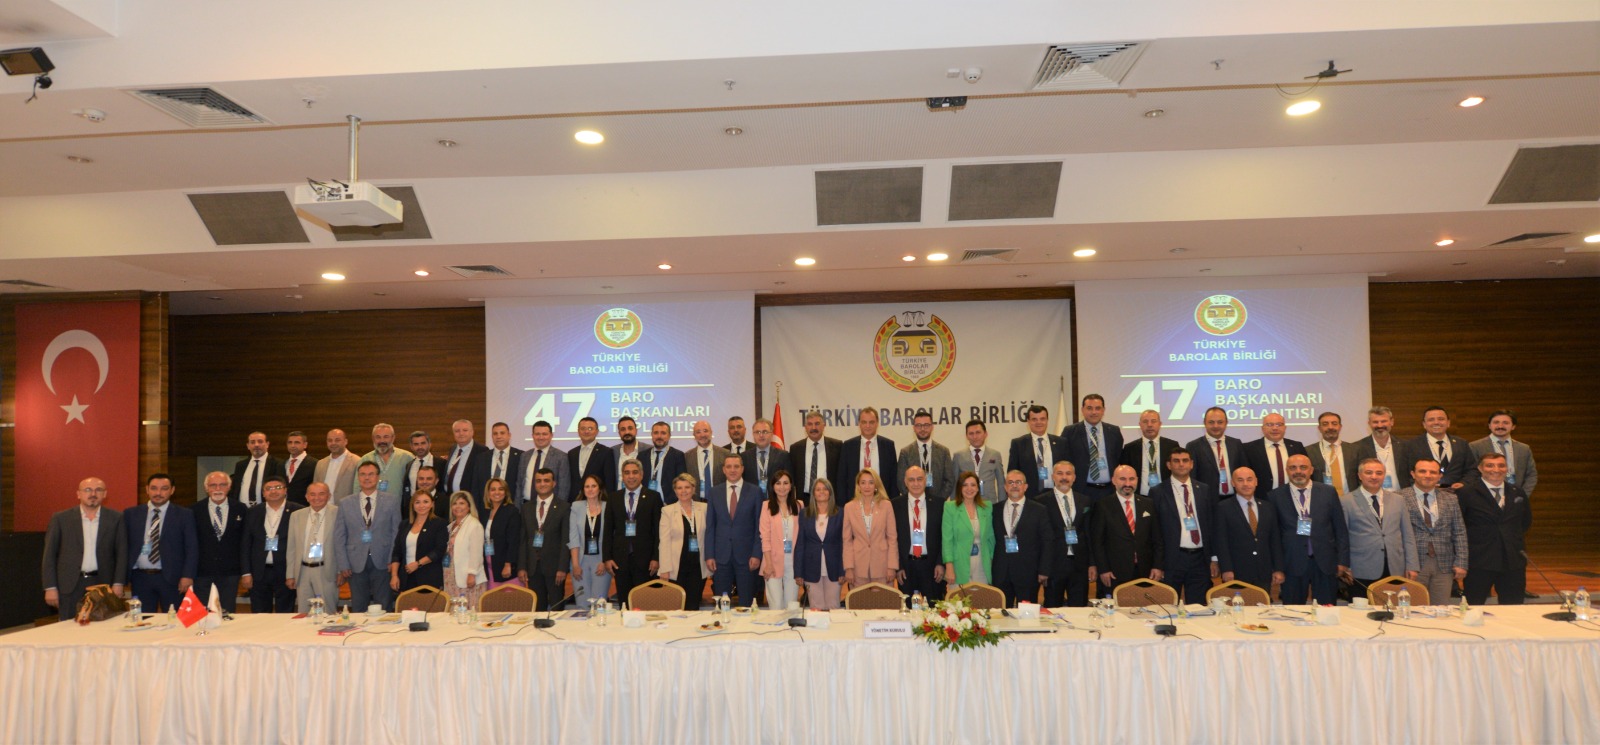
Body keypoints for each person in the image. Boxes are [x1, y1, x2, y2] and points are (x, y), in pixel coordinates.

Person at [1267, 454, 1349, 605]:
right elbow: (1274, 536)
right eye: (1293, 468)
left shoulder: (1328, 492)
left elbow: (1340, 529)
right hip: (1292, 563)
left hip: (1325, 562)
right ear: (1287, 470)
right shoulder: (1275, 496)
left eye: (1303, 467)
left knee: (1327, 611)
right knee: (1292, 611)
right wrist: (1277, 567)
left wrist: (1342, 561)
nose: (1298, 471)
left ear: (1311, 470)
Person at [42, 477, 127, 621]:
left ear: (105, 494)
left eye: (98, 490)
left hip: (102, 583)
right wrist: (50, 587)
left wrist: (118, 583)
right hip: (69, 585)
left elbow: (122, 553)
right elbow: (49, 555)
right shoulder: (61, 519)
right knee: (68, 628)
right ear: (78, 494)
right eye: (88, 490)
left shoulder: (116, 518)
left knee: (101, 628)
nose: (93, 494)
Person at [1457, 452, 1531, 605]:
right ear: (1480, 468)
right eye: (1490, 465)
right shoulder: (1466, 493)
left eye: (1501, 465)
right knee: (1474, 606)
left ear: (1507, 468)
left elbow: (1525, 522)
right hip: (1479, 561)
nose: (1496, 470)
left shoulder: (1517, 492)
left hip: (1512, 560)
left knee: (1514, 608)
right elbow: (1459, 526)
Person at [1339, 459, 1419, 594]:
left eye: (1379, 473)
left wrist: (1412, 565)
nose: (1374, 476)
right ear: (1359, 475)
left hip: (1394, 567)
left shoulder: (1398, 500)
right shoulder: (1346, 501)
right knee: (1362, 607)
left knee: (1393, 606)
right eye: (1369, 472)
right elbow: (1342, 538)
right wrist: (1345, 566)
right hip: (1361, 569)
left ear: (1384, 475)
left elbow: (1408, 535)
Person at [1150, 448, 1218, 604]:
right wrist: (1158, 564)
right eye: (1176, 461)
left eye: (1185, 460)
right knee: (1168, 606)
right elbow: (1155, 531)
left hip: (1200, 558)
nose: (1181, 464)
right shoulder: (1157, 492)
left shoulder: (1204, 489)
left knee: (1198, 607)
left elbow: (1211, 526)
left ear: (1191, 464)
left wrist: (1214, 558)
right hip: (1172, 558)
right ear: (1169, 465)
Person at [333, 461, 402, 612]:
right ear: (358, 477)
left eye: (371, 474)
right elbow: (339, 536)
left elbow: (396, 533)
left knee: (383, 605)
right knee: (358, 605)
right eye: (363, 474)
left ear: (378, 477)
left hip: (383, 560)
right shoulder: (345, 503)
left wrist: (392, 559)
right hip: (355, 562)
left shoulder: (392, 501)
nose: (367, 478)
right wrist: (343, 564)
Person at [1398, 460, 1468, 604]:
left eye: (1433, 472)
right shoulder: (1398, 498)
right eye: (1422, 471)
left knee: (1441, 608)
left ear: (1439, 476)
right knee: (1412, 607)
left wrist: (1461, 562)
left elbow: (1459, 531)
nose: (1428, 475)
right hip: (1412, 564)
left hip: (1444, 564)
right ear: (1413, 474)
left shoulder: (1451, 498)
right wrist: (1406, 563)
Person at [124, 473, 197, 612]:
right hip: (140, 578)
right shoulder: (131, 514)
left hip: (172, 578)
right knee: (142, 620)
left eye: (164, 488)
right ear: (147, 489)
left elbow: (192, 548)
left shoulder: (184, 515)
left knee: (174, 620)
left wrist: (188, 575)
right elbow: (123, 547)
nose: (158, 493)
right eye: (154, 488)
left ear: (172, 490)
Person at [1089, 466, 1163, 598]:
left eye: (1131, 479)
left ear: (1137, 480)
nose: (1128, 484)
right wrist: (1103, 569)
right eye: (1122, 479)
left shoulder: (1148, 504)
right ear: (1113, 480)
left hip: (1145, 572)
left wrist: (1157, 566)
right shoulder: (1103, 505)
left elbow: (1157, 539)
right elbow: (1097, 542)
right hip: (1113, 574)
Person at [1213, 468, 1284, 594]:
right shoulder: (1223, 507)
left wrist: (1278, 568)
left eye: (1249, 479)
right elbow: (1221, 541)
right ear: (1233, 483)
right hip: (1236, 573)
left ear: (1256, 482)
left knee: (1262, 605)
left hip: (1263, 571)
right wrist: (1226, 569)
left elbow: (1275, 540)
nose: (1245, 484)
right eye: (1240, 480)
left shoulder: (1268, 507)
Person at [705, 453, 764, 604]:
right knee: (722, 603)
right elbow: (710, 526)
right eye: (729, 467)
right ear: (723, 469)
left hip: (747, 557)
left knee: (747, 603)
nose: (733, 470)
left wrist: (757, 554)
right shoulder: (714, 492)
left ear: (742, 469)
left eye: (736, 466)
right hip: (721, 556)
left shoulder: (755, 492)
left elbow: (759, 526)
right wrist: (709, 555)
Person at [241, 471, 301, 613]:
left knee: (285, 613)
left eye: (278, 487)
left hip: (286, 571)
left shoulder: (298, 511)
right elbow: (245, 544)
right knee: (259, 614)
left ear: (285, 490)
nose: (273, 491)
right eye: (269, 488)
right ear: (263, 493)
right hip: (259, 572)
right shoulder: (253, 512)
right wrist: (246, 572)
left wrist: (294, 573)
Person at [990, 471, 1051, 608]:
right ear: (1005, 487)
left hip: (1029, 572)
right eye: (1010, 482)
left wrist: (1044, 570)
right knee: (1001, 614)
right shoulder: (995, 510)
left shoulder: (1039, 510)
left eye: (1018, 482)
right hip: (1001, 572)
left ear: (1025, 486)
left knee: (1027, 615)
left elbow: (1047, 541)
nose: (1014, 486)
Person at [190, 470, 248, 613]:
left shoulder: (241, 509)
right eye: (213, 485)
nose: (217, 489)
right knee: (203, 613)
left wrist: (245, 571)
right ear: (206, 488)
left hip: (230, 572)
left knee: (227, 612)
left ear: (229, 487)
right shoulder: (194, 510)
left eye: (222, 485)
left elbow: (245, 542)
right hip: (202, 572)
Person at [605, 460, 662, 605]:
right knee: (624, 603)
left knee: (645, 603)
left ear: (642, 475)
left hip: (646, 561)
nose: (631, 476)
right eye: (627, 473)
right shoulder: (613, 498)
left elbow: (658, 531)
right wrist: (607, 557)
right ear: (622, 476)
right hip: (620, 561)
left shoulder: (653, 497)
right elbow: (608, 530)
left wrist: (656, 557)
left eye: (635, 472)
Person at [518, 469, 571, 611]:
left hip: (555, 568)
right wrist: (522, 567)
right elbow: (523, 540)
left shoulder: (564, 507)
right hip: (533, 568)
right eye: (538, 481)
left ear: (554, 483)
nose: (542, 484)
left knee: (556, 608)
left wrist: (562, 568)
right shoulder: (526, 508)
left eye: (546, 480)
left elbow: (565, 540)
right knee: (537, 609)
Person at [1041, 462, 1093, 607]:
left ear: (1074, 477)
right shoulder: (1041, 502)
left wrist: (1092, 564)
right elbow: (1041, 539)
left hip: (1079, 565)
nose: (1064, 477)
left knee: (1079, 610)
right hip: (1054, 565)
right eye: (1060, 473)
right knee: (1052, 610)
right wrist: (1043, 568)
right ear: (1053, 476)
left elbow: (1089, 534)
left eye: (1068, 473)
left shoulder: (1085, 500)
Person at [893, 465, 945, 603]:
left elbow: (944, 537)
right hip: (906, 567)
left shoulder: (940, 504)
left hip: (932, 567)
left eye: (919, 479)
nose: (916, 483)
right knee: (907, 608)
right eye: (911, 480)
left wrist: (940, 563)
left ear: (926, 481)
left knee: (934, 608)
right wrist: (898, 566)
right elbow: (893, 539)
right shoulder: (895, 505)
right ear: (905, 482)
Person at [842, 468, 899, 592]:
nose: (867, 486)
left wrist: (892, 566)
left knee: (882, 603)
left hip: (882, 566)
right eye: (863, 483)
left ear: (876, 486)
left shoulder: (886, 505)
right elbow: (847, 540)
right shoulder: (849, 507)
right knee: (859, 603)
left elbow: (892, 538)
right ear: (858, 486)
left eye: (871, 482)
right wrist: (849, 568)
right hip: (858, 567)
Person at [286, 482, 338, 613]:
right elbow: (291, 547)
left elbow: (341, 545)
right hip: (302, 571)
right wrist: (290, 574)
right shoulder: (296, 515)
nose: (317, 498)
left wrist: (340, 571)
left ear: (329, 496)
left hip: (326, 570)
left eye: (321, 494)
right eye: (312, 494)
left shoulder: (338, 513)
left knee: (328, 612)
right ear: (306, 497)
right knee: (304, 612)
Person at [1061, 394, 1123, 505]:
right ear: (1082, 410)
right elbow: (1064, 459)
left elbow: (1118, 457)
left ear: (1103, 410)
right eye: (1089, 408)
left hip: (1109, 490)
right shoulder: (1070, 432)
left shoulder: (1114, 431)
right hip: (1081, 490)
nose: (1094, 412)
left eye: (1098, 408)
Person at [658, 474, 708, 609]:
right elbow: (664, 541)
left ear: (693, 489)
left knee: (693, 605)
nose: (683, 491)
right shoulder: (667, 511)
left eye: (687, 487)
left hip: (698, 566)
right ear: (675, 491)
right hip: (676, 566)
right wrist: (664, 569)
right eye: (679, 488)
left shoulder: (704, 508)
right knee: (676, 607)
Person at [758, 470, 805, 609]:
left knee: (791, 605)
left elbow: (803, 536)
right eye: (778, 483)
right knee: (776, 605)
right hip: (772, 561)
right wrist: (768, 563)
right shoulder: (766, 506)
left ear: (791, 486)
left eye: (785, 483)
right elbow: (765, 536)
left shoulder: (799, 505)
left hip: (793, 562)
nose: (782, 487)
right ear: (773, 486)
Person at [941, 472, 994, 592]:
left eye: (973, 485)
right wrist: (949, 567)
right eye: (965, 485)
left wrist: (991, 560)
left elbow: (991, 538)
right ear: (960, 488)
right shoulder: (950, 507)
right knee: (959, 601)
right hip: (958, 564)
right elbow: (947, 540)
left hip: (982, 563)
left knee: (981, 600)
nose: (969, 489)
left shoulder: (987, 507)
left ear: (978, 488)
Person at [797, 478, 846, 609]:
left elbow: (844, 543)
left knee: (833, 606)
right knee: (816, 608)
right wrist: (798, 572)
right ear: (813, 493)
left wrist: (843, 570)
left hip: (834, 569)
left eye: (825, 489)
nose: (822, 492)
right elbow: (800, 544)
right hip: (810, 568)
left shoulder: (840, 513)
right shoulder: (805, 513)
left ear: (830, 493)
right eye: (818, 489)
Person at [1406, 406, 1478, 490]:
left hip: (1458, 492)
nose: (1436, 422)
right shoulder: (1412, 445)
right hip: (1426, 492)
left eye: (1441, 419)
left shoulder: (1461, 444)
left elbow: (1472, 469)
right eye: (1431, 420)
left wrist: (1463, 483)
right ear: (1424, 424)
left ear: (1448, 423)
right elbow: (1407, 472)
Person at [837, 407, 900, 502]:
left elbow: (893, 478)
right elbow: (842, 478)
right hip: (855, 500)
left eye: (871, 422)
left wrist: (892, 503)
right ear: (859, 424)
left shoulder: (888, 445)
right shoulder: (848, 446)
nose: (868, 426)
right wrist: (844, 504)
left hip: (881, 500)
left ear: (877, 423)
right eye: (864, 422)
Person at [389, 490, 446, 596]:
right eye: (417, 502)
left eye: (425, 502)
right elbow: (397, 552)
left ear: (432, 504)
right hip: (406, 577)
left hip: (429, 576)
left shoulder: (439, 524)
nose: (421, 505)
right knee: (406, 606)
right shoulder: (404, 524)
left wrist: (418, 563)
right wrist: (394, 575)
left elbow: (439, 550)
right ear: (413, 505)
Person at [1469, 409, 1538, 496]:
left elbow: (1531, 475)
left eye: (1505, 423)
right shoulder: (1475, 446)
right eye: (1496, 422)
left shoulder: (1524, 448)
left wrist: (1522, 495)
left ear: (1513, 426)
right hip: (1486, 496)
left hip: (1516, 495)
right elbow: (1472, 474)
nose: (1500, 426)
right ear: (1489, 425)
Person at [569, 474, 612, 608]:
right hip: (580, 561)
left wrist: (604, 561)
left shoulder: (608, 507)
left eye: (593, 486)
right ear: (583, 489)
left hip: (601, 561)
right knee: (582, 604)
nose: (590, 489)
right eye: (587, 486)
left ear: (600, 488)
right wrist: (575, 565)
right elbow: (573, 537)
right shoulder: (576, 507)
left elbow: (611, 537)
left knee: (599, 604)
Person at [1185, 406, 1246, 501]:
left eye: (1220, 422)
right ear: (1204, 423)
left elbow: (1244, 471)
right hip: (1207, 500)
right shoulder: (1193, 446)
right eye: (1211, 422)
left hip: (1235, 500)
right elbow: (1192, 477)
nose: (1216, 426)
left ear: (1226, 423)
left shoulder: (1236, 444)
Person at [441, 492, 487, 609]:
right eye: (454, 503)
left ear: (469, 506)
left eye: (462, 503)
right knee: (454, 612)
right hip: (451, 575)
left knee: (469, 611)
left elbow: (476, 553)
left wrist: (472, 574)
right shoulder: (451, 526)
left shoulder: (474, 525)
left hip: (468, 577)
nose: (458, 507)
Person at [1009, 405, 1065, 497]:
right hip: (1029, 495)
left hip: (1056, 494)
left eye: (1042, 419)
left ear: (1047, 420)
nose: (1039, 422)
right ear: (1028, 421)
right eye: (1034, 419)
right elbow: (1013, 473)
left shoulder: (1061, 442)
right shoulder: (1018, 444)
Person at [1243, 413, 1308, 493]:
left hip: (1293, 496)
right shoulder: (1249, 449)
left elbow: (1307, 472)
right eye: (1270, 425)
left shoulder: (1297, 446)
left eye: (1279, 425)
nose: (1275, 428)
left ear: (1285, 428)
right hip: (1262, 497)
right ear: (1262, 428)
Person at [1120, 410, 1179, 497]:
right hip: (1140, 496)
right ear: (1140, 425)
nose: (1149, 425)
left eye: (1153, 421)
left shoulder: (1172, 446)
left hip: (1167, 496)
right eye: (1145, 421)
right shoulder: (1130, 448)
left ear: (1160, 424)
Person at [897, 410, 953, 502]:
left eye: (926, 425)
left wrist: (938, 501)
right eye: (919, 425)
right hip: (913, 503)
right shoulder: (905, 453)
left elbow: (949, 481)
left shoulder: (943, 451)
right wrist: (915, 499)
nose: (922, 429)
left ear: (932, 427)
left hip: (938, 503)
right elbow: (901, 482)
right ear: (914, 428)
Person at [1352, 407, 1411, 491]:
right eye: (1375, 422)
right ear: (1369, 423)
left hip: (1402, 495)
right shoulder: (1357, 447)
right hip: (1372, 496)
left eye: (1383, 421)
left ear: (1391, 422)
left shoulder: (1405, 446)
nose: (1379, 425)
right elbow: (1354, 478)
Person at [790, 410, 842, 502]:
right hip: (804, 499)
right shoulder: (795, 449)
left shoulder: (837, 446)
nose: (813, 427)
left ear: (824, 426)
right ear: (805, 427)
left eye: (817, 424)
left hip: (829, 498)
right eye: (810, 424)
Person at [443, 419, 492, 515]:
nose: (461, 434)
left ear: (472, 432)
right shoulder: (453, 448)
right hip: (450, 501)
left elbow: (483, 481)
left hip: (470, 504)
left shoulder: (482, 451)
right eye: (457, 431)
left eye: (465, 430)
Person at [481, 478, 523, 590]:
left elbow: (514, 541)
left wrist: (508, 564)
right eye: (493, 489)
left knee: (509, 598)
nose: (497, 492)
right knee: (492, 597)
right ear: (488, 493)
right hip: (489, 565)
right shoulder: (484, 512)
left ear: (506, 492)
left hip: (504, 565)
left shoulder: (512, 511)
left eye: (500, 489)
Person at [515, 420, 570, 505]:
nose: (541, 437)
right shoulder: (524, 456)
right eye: (537, 434)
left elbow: (564, 487)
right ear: (533, 436)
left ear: (551, 435)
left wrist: (558, 508)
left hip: (550, 506)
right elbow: (519, 484)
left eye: (544, 434)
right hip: (525, 505)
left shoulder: (561, 457)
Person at [359, 423, 415, 501]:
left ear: (393, 438)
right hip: (372, 506)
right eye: (378, 437)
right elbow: (357, 486)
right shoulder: (365, 459)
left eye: (386, 437)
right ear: (373, 439)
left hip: (399, 506)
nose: (382, 441)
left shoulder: (407, 457)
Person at [1306, 412, 1359, 495]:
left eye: (1334, 424)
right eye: (1325, 424)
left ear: (1340, 427)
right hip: (1321, 499)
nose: (1330, 427)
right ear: (1319, 428)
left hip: (1350, 499)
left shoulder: (1354, 449)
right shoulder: (1308, 451)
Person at [228, 431, 284, 509]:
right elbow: (235, 489)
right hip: (242, 510)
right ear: (248, 446)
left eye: (260, 441)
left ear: (267, 444)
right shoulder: (240, 465)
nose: (256, 445)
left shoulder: (278, 464)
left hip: (266, 509)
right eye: (252, 442)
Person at [955, 419, 1006, 502]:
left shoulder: (995, 455)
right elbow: (955, 483)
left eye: (978, 432)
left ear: (985, 434)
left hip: (989, 502)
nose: (975, 437)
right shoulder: (958, 456)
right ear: (966, 436)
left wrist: (1002, 504)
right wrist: (955, 504)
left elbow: (1001, 483)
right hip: (966, 502)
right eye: (971, 433)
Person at [567, 416, 616, 497]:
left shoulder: (606, 452)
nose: (586, 431)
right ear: (578, 431)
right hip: (574, 500)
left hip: (598, 499)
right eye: (583, 428)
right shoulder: (572, 453)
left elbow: (609, 481)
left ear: (597, 431)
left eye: (590, 429)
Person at [742, 418, 792, 497]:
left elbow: (789, 482)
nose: (761, 435)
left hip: (775, 500)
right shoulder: (744, 457)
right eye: (757, 432)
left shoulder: (783, 455)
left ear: (771, 434)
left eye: (765, 432)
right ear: (753, 434)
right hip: (751, 500)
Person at [685, 420, 732, 503]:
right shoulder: (687, 456)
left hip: (720, 500)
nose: (702, 435)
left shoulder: (725, 454)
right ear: (694, 435)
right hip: (696, 502)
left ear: (711, 432)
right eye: (698, 432)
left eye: (705, 431)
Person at [642, 421, 688, 497]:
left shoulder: (678, 455)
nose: (659, 436)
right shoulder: (642, 456)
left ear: (669, 436)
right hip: (647, 500)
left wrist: (672, 500)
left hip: (669, 502)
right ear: (652, 435)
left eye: (663, 433)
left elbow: (681, 481)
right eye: (656, 433)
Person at [313, 428, 358, 503]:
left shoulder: (356, 462)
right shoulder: (320, 463)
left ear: (345, 441)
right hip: (323, 507)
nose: (333, 443)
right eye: (330, 440)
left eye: (337, 440)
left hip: (346, 507)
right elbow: (315, 488)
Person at [282, 431, 318, 506]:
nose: (293, 445)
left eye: (297, 442)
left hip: (305, 506)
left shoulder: (315, 464)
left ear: (305, 445)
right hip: (285, 507)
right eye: (290, 442)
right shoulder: (282, 464)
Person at [402, 430, 440, 501]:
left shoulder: (441, 463)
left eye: (423, 443)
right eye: (416, 444)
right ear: (411, 446)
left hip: (435, 503)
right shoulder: (409, 465)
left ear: (429, 444)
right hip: (413, 504)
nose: (420, 447)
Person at [611, 416, 643, 488]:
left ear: (636, 430)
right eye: (623, 429)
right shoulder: (612, 452)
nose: (627, 432)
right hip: (618, 494)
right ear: (619, 433)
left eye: (630, 428)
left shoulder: (648, 450)